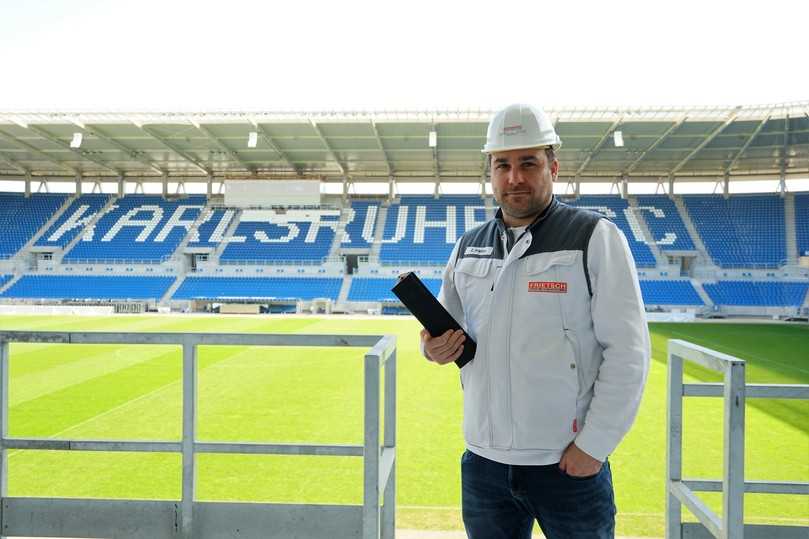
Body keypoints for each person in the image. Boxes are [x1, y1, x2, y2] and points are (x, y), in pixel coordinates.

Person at [421, 103, 650, 539]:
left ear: (553, 167)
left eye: (529, 163)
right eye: (502, 164)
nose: (515, 178)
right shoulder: (468, 246)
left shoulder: (594, 238)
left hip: (567, 466)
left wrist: (594, 446)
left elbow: (629, 352)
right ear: (490, 171)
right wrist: (431, 347)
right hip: (484, 466)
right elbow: (445, 330)